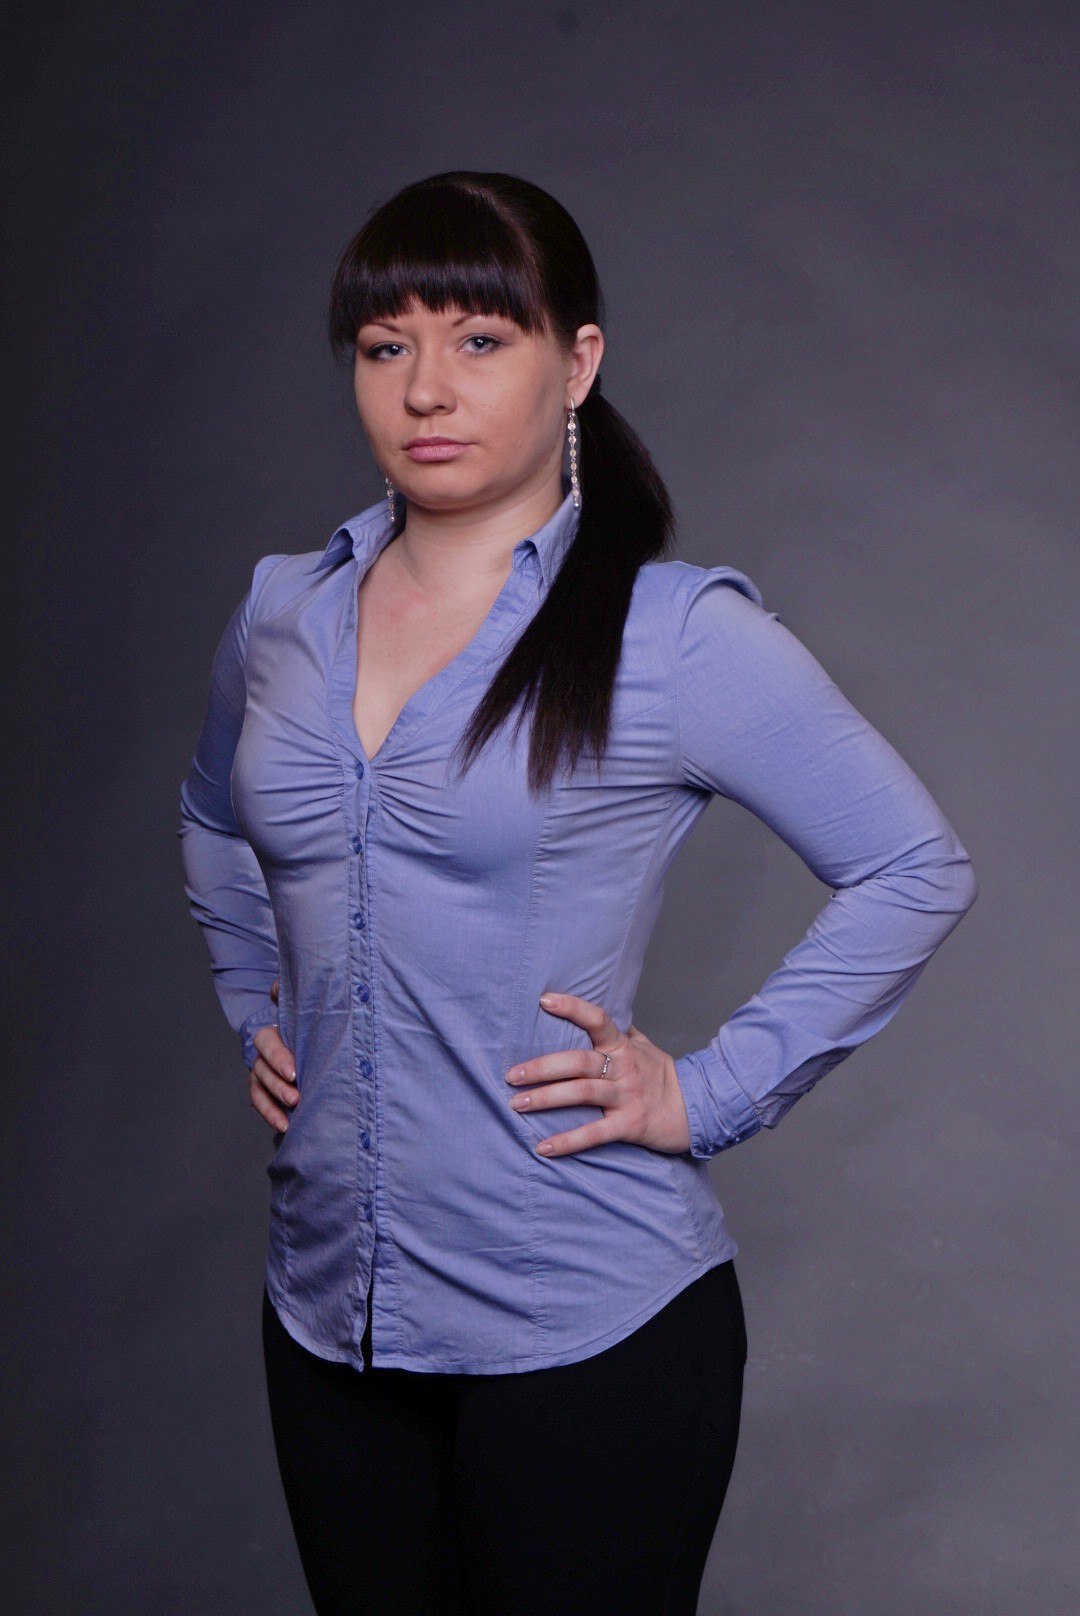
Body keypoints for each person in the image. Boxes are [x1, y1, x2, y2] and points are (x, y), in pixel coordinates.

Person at [178, 170, 978, 1615]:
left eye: (481, 339)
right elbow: (212, 817)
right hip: (329, 1321)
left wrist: (709, 1093)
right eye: (386, 345)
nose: (427, 387)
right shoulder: (283, 612)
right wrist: (258, 1004)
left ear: (578, 362)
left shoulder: (670, 637)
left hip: (588, 1327)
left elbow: (913, 866)